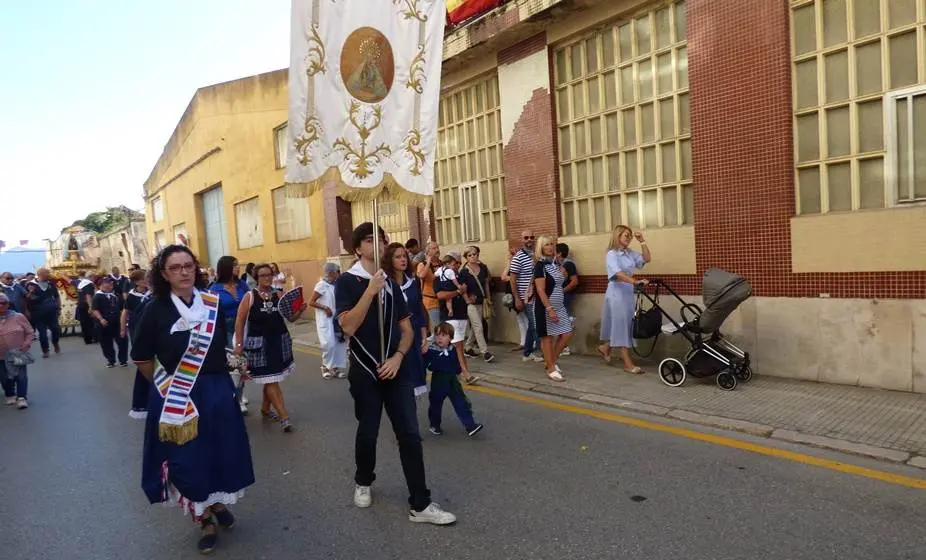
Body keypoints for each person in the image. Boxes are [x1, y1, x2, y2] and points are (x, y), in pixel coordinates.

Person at [131, 245, 255, 555]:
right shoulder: (155, 309)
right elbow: (142, 358)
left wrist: (234, 363)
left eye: (188, 265)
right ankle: (204, 520)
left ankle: (214, 501)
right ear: (163, 274)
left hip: (216, 392)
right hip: (178, 396)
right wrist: (169, 389)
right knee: (187, 460)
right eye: (175, 267)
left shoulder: (210, 302)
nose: (184, 272)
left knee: (218, 453)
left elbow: (216, 351)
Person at [335, 222, 456, 525]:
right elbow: (347, 325)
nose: (376, 243)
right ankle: (364, 480)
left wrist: (399, 357)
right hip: (365, 372)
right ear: (357, 248)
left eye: (381, 238)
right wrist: (369, 292)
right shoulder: (348, 282)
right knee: (368, 432)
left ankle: (421, 503)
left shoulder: (391, 283)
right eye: (368, 239)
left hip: (395, 369)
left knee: (410, 436)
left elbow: (407, 329)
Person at [234, 263, 305, 433]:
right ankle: (284, 416)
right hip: (259, 345)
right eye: (263, 275)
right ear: (256, 278)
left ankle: (266, 409)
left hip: (279, 342)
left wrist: (300, 311)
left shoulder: (279, 295)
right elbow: (240, 321)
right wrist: (238, 345)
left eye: (269, 274)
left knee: (271, 378)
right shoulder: (249, 297)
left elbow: (291, 318)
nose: (267, 277)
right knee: (271, 379)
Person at [598, 226, 651, 374]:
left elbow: (646, 259)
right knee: (622, 325)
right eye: (626, 235)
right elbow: (618, 274)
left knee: (626, 323)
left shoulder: (629, 253)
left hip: (627, 292)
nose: (629, 238)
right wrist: (635, 282)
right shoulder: (611, 254)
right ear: (618, 236)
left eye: (630, 236)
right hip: (616, 293)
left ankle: (606, 347)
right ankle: (627, 362)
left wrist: (642, 241)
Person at [382, 242, 428, 397]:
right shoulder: (384, 284)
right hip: (395, 336)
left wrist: (424, 336)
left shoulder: (413, 282)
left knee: (415, 371)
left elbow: (419, 310)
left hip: (413, 333)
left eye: (405, 256)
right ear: (390, 260)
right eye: (398, 257)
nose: (403, 260)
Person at [424, 322, 484, 437]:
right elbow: (425, 364)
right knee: (435, 405)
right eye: (437, 335)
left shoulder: (453, 349)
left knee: (461, 402)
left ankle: (470, 425)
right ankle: (434, 425)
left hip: (453, 381)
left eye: (443, 335)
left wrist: (459, 372)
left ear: (450, 337)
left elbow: (457, 365)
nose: (439, 338)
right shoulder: (431, 350)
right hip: (438, 381)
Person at [209, 256, 250, 414]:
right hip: (224, 328)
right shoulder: (215, 289)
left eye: (238, 265)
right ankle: (237, 399)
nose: (238, 268)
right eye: (235, 266)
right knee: (234, 364)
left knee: (242, 363)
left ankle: (240, 393)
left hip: (243, 327)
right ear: (226, 268)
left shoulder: (242, 285)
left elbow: (251, 300)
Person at [434, 253, 480, 385]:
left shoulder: (459, 275)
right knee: (459, 345)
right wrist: (458, 292)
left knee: (454, 346)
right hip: (450, 317)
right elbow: (440, 295)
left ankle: (451, 371)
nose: (458, 265)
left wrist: (469, 298)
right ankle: (466, 374)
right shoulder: (440, 277)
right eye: (456, 263)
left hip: (461, 315)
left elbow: (466, 290)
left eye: (459, 263)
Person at [533, 236, 575, 381]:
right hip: (546, 306)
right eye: (546, 245)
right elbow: (540, 290)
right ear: (541, 248)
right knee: (548, 337)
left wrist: (562, 270)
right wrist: (549, 308)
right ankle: (551, 368)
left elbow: (560, 281)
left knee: (567, 332)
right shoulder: (540, 265)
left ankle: (551, 361)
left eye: (551, 244)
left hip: (559, 305)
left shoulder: (554, 263)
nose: (550, 247)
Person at [309, 262, 347, 379]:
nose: (339, 274)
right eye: (337, 271)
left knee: (339, 344)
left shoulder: (337, 285)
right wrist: (325, 308)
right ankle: (325, 366)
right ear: (331, 272)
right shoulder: (321, 285)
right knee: (328, 344)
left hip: (337, 319)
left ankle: (335, 369)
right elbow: (311, 302)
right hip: (326, 320)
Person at [508, 231, 542, 363]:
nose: (529, 240)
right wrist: (517, 298)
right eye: (526, 238)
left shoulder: (536, 256)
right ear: (521, 240)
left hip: (537, 296)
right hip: (525, 298)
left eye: (532, 237)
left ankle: (527, 353)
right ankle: (545, 353)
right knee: (535, 324)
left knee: (532, 326)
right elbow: (512, 279)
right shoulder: (518, 257)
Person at [121, 269, 150, 418]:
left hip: (151, 329)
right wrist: (122, 329)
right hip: (137, 329)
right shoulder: (132, 296)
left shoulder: (152, 293)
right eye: (146, 278)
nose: (148, 279)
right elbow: (125, 312)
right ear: (138, 281)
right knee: (143, 359)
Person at [459, 246, 494, 363]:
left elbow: (486, 284)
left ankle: (468, 347)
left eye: (475, 254)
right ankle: (485, 352)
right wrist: (467, 300)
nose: (473, 256)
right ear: (466, 257)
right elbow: (462, 288)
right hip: (471, 304)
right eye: (470, 255)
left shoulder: (482, 267)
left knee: (475, 327)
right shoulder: (464, 272)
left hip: (482, 302)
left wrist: (488, 298)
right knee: (479, 326)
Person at [0, 292, 34, 409]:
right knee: (4, 377)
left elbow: (29, 332)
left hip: (17, 352)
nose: (1, 305)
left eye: (3, 303)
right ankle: (10, 394)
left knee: (21, 376)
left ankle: (21, 397)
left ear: (8, 304)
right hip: (1, 354)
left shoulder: (18, 316)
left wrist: (26, 344)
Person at [91, 276, 128, 368]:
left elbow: (122, 309)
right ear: (102, 285)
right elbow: (95, 310)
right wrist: (101, 319)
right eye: (108, 283)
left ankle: (123, 360)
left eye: (111, 283)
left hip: (117, 321)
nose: (111, 285)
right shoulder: (98, 296)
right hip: (104, 322)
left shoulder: (115, 295)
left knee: (122, 340)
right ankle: (111, 360)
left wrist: (124, 319)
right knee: (106, 342)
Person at [25, 268, 61, 358]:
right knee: (42, 333)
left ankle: (55, 342)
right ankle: (45, 350)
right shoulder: (30, 284)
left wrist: (58, 307)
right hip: (38, 313)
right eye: (47, 273)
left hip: (51, 312)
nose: (49, 275)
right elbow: (26, 299)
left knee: (56, 329)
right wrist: (30, 293)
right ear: (40, 274)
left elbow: (56, 296)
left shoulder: (51, 284)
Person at [557, 243, 579, 356]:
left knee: (563, 320)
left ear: (559, 253)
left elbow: (574, 282)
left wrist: (562, 291)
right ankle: (562, 346)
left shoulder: (568, 264)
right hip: (561, 296)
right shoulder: (558, 264)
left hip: (566, 296)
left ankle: (564, 347)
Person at [415, 241, 441, 334]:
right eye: (434, 248)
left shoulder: (442, 264)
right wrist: (428, 262)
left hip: (442, 299)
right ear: (428, 251)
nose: (437, 250)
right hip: (431, 300)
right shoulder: (422, 264)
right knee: (437, 327)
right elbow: (421, 275)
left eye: (437, 247)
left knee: (443, 327)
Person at [76, 273, 98, 344]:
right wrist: (91, 307)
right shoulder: (89, 284)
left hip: (80, 305)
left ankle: (87, 339)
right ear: (90, 277)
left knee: (84, 323)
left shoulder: (81, 284)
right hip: (87, 305)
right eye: (94, 277)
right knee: (91, 322)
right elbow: (88, 296)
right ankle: (94, 337)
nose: (95, 279)